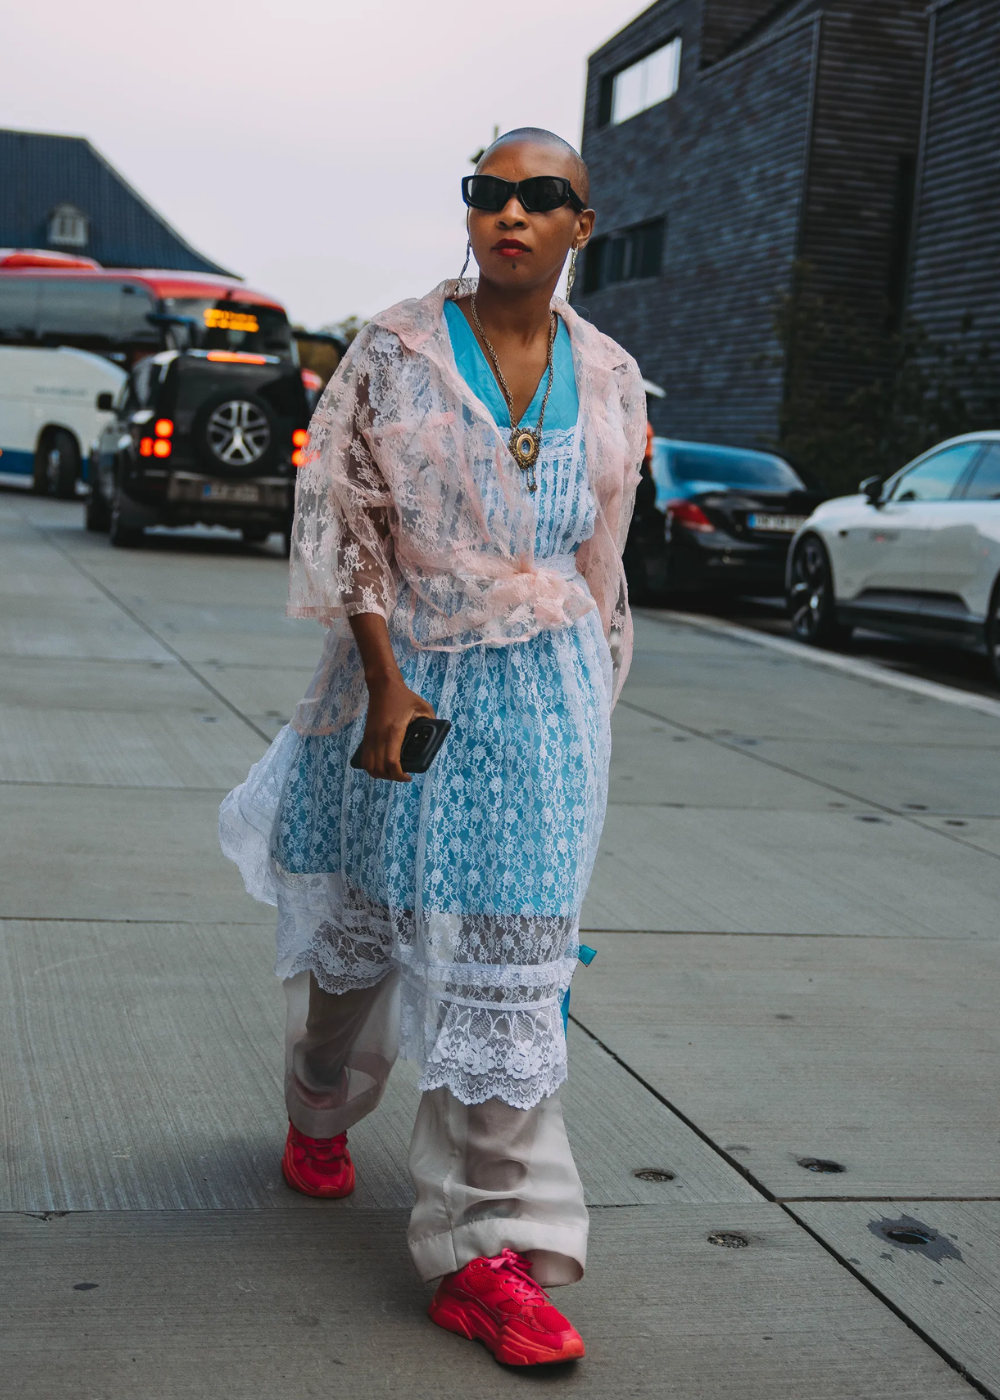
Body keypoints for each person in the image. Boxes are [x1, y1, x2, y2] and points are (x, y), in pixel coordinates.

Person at [220, 127, 645, 1367]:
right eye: (488, 193)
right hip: (401, 679)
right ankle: (319, 1096)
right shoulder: (397, 350)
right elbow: (347, 525)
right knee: (365, 935)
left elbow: (601, 554)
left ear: (581, 224)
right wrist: (386, 682)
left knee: (509, 971)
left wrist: (587, 708)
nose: (509, 214)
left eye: (540, 198)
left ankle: (487, 1249)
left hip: (547, 700)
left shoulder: (612, 373)